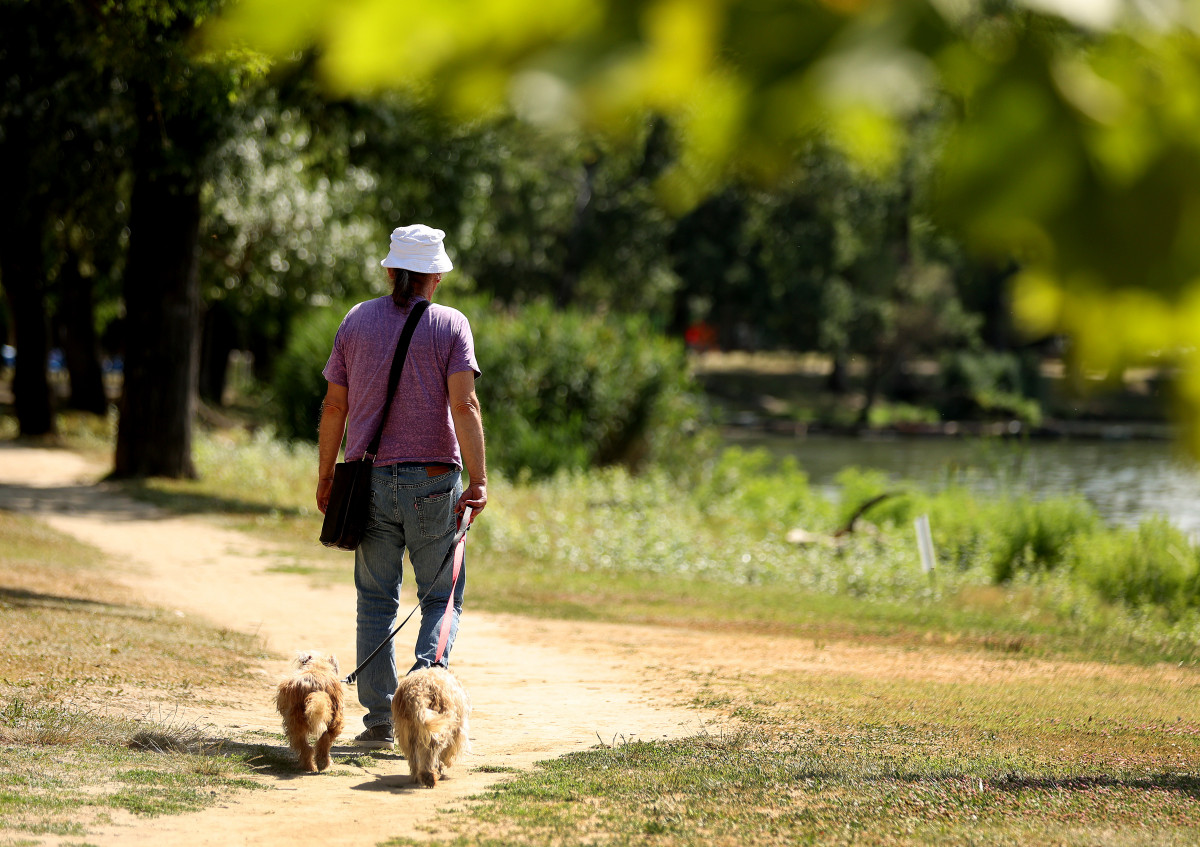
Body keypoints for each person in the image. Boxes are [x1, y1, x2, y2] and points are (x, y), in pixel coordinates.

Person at [316, 224, 487, 749]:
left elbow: (334, 407)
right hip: (435, 480)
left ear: (391, 270)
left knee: (375, 600)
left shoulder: (356, 321)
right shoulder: (450, 325)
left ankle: (380, 723)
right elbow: (465, 406)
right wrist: (477, 481)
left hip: (367, 481)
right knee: (441, 596)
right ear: (434, 276)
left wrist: (326, 476)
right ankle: (426, 700)